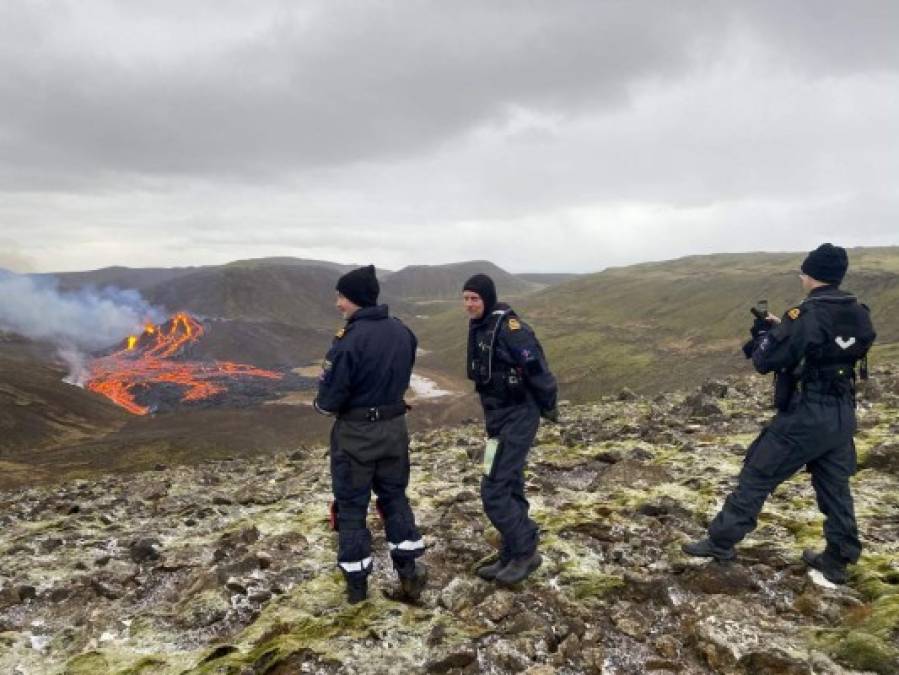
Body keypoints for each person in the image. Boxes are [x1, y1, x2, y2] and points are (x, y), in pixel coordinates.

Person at [683, 244, 876, 584]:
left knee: (758, 473)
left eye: (803, 272)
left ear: (810, 275)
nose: (801, 278)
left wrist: (768, 336)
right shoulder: (858, 311)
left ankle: (720, 542)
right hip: (842, 413)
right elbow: (832, 346)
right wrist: (784, 331)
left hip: (806, 414)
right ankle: (838, 558)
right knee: (835, 487)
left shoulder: (804, 315)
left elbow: (764, 361)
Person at [314, 265, 426, 603]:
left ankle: (357, 590)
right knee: (394, 498)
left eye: (342, 297)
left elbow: (330, 399)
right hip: (394, 431)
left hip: (356, 437)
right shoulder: (403, 332)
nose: (338, 304)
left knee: (351, 508)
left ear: (356, 299)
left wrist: (322, 404)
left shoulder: (348, 342)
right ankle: (409, 572)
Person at [462, 273, 559, 587]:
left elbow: (536, 368)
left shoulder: (510, 330)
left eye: (474, 298)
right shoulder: (480, 328)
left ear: (487, 299)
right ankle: (510, 552)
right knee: (510, 481)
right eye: (465, 298)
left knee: (494, 489)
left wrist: (547, 404)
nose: (469, 305)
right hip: (497, 420)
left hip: (519, 415)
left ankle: (526, 550)